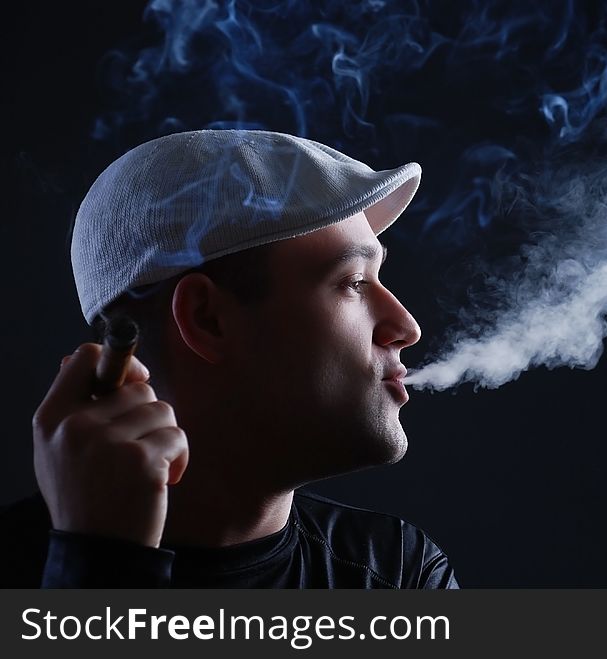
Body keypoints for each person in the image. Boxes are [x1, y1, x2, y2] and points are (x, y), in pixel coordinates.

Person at [0, 130, 459, 588]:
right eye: (354, 282)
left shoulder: (400, 573)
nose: (406, 326)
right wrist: (102, 569)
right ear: (207, 319)